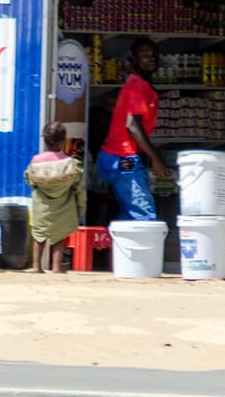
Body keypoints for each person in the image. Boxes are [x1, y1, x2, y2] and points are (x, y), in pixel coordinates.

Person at [96, 38, 168, 221]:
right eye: (145, 55)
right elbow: (133, 126)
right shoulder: (137, 86)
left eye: (154, 55)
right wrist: (156, 159)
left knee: (130, 217)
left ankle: (118, 250)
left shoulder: (141, 85)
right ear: (134, 59)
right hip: (122, 159)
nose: (151, 59)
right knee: (144, 217)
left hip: (118, 158)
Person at [24, 122, 86, 274]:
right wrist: (80, 208)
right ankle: (57, 267)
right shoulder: (71, 164)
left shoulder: (36, 161)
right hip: (64, 206)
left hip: (42, 205)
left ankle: (37, 266)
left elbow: (30, 180)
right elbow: (79, 189)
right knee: (59, 236)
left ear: (44, 139)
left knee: (39, 236)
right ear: (64, 140)